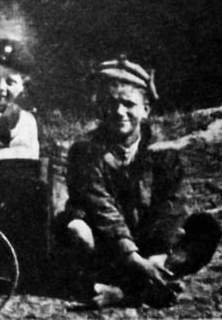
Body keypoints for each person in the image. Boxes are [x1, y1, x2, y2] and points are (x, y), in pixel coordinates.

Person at [54, 56, 221, 308]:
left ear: (146, 110)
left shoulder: (163, 152)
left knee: (205, 228)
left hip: (149, 242)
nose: (119, 112)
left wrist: (159, 252)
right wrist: (132, 256)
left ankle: (122, 292)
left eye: (128, 104)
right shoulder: (85, 151)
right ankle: (136, 289)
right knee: (76, 229)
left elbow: (172, 205)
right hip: (108, 243)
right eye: (111, 103)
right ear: (100, 107)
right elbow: (101, 209)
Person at [0, 38, 39, 160]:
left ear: (23, 84)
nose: (1, 88)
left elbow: (25, 157)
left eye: (10, 82)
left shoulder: (23, 121)